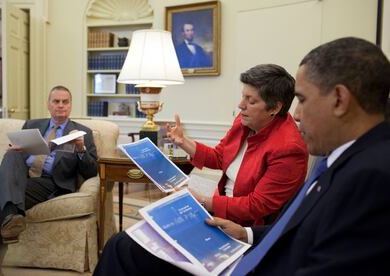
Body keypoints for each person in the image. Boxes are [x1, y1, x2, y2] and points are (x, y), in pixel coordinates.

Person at [93, 37, 390, 276]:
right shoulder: (343, 157)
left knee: (125, 249)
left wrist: (213, 208)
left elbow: (298, 239)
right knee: (127, 242)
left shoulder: (370, 176)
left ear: (339, 99)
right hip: (236, 229)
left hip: (246, 256)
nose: (297, 115)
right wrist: (247, 233)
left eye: (302, 100)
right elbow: (222, 159)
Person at [168, 64, 308, 227]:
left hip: (247, 225)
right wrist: (183, 141)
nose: (241, 105)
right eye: (243, 96)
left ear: (275, 107)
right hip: (222, 204)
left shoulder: (289, 148)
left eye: (251, 101)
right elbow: (219, 157)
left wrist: (204, 202)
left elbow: (258, 205)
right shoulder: (244, 122)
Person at [0, 85, 98, 276]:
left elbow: (92, 172)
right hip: (22, 177)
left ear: (70, 105)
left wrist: (81, 150)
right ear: (48, 105)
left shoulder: (82, 133)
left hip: (51, 182)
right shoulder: (32, 125)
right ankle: (11, 217)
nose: (60, 105)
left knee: (2, 191)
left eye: (65, 102)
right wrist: (18, 150)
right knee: (11, 156)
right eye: (56, 101)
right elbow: (19, 157)